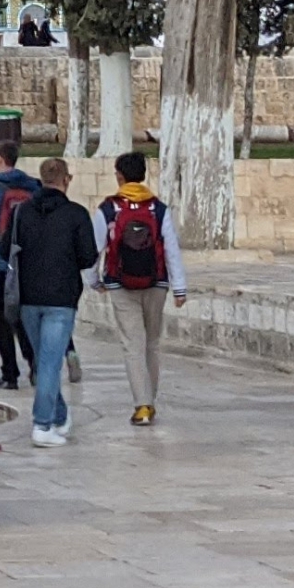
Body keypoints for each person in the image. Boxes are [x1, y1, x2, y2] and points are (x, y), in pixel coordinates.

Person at [92, 151, 187, 426]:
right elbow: (171, 249)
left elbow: (96, 248)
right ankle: (150, 401)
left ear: (119, 176)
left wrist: (94, 280)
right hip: (156, 282)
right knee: (152, 344)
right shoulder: (158, 209)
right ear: (143, 175)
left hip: (120, 284)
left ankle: (142, 404)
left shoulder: (108, 209)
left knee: (132, 344)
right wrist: (179, 288)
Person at [9, 158, 96, 446]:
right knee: (49, 363)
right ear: (66, 180)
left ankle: (58, 416)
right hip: (61, 297)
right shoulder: (76, 214)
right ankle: (42, 425)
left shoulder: (21, 213)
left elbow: (5, 249)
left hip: (27, 297)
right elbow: (87, 257)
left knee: (43, 360)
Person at [0, 142, 41, 390]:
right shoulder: (34, 187)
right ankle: (35, 363)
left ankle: (9, 374)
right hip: (28, 264)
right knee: (25, 318)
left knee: (2, 321)